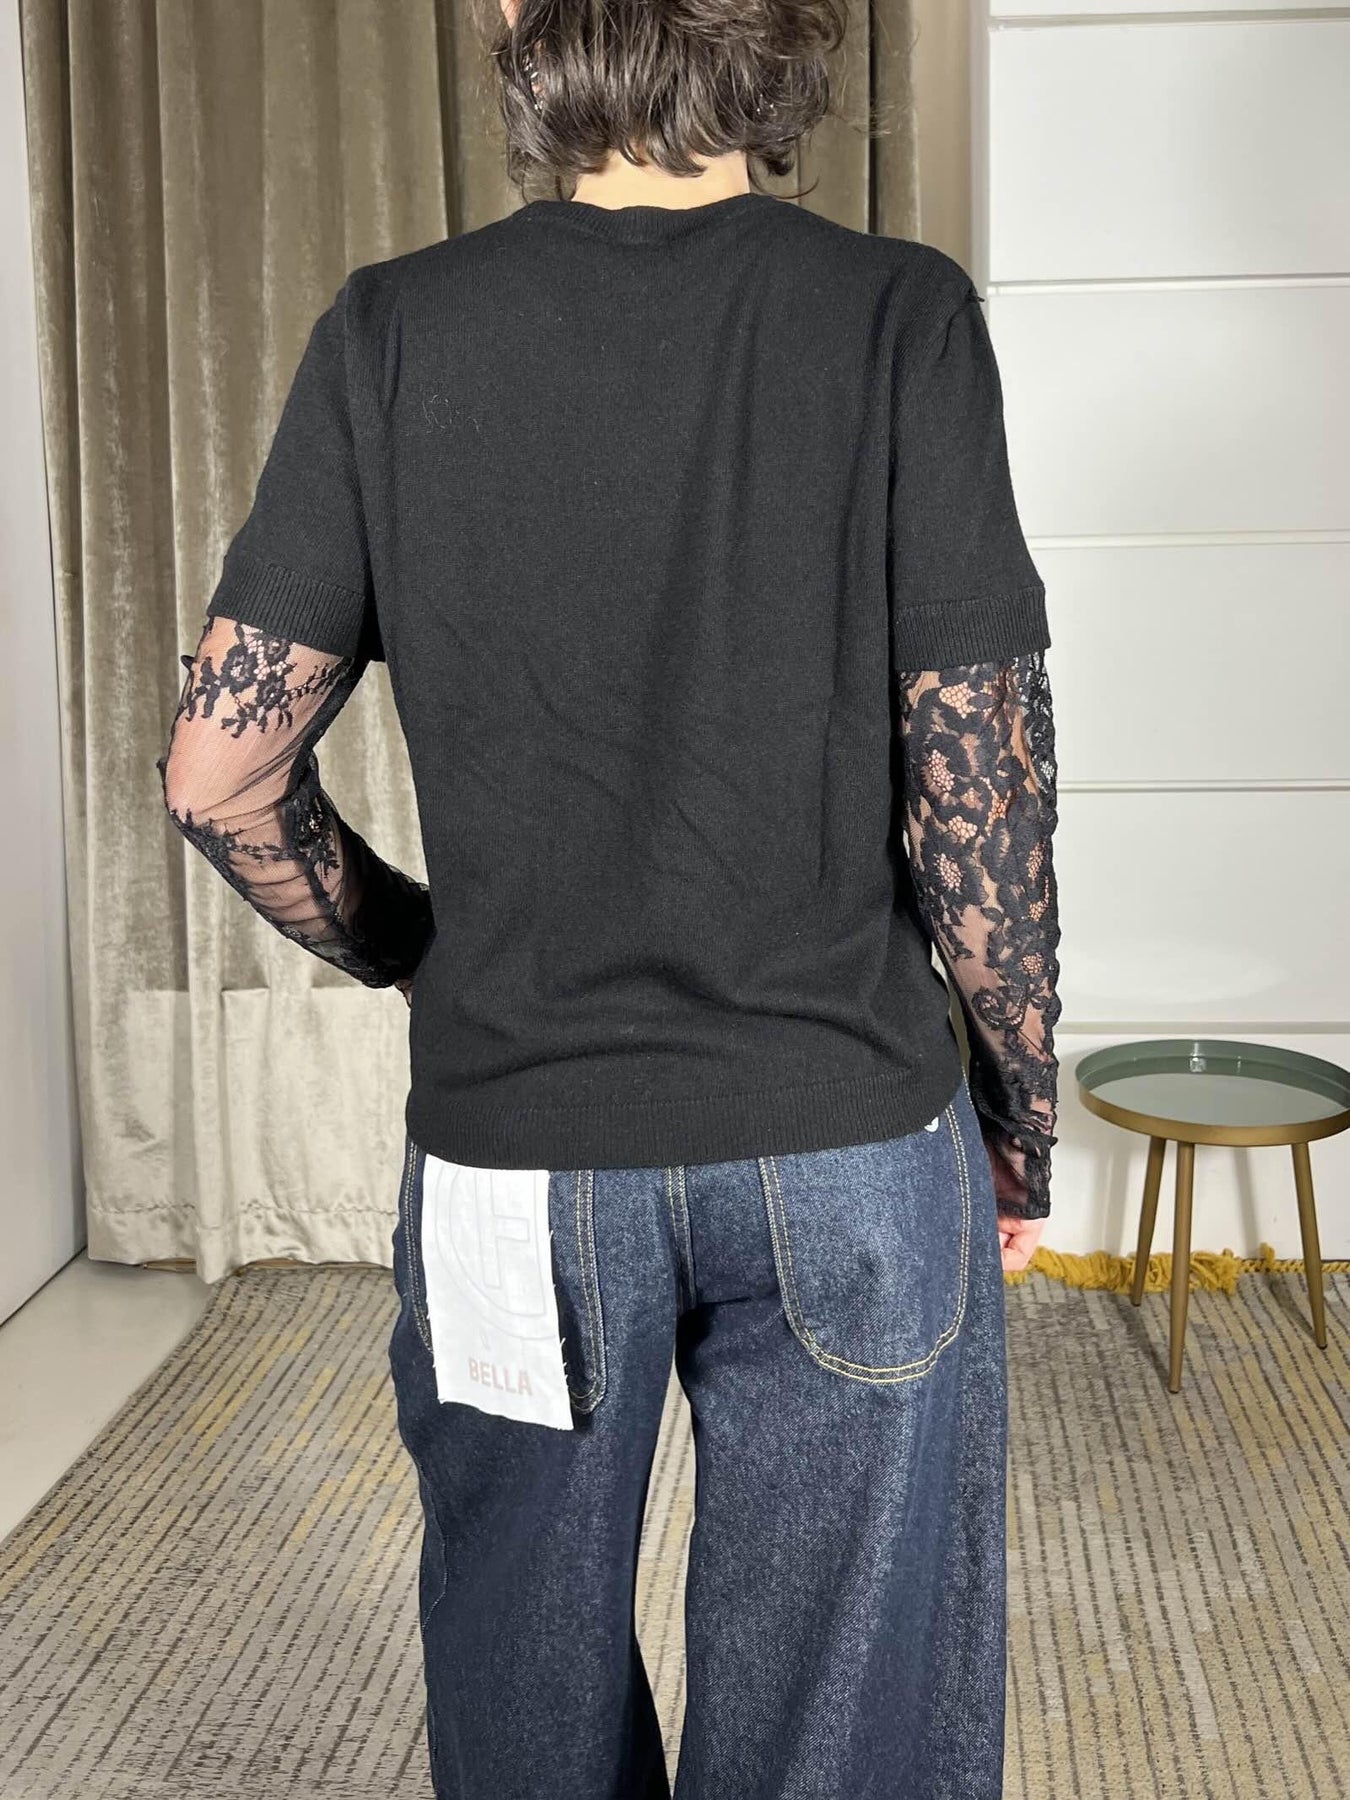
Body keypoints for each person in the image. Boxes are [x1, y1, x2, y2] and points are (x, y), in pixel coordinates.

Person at [156, 0, 1061, 1793]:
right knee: (839, 1722)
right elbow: (983, 792)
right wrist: (1016, 1119)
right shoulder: (897, 314)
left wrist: (420, 953)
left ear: (518, 20)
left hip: (516, 1160)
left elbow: (217, 776)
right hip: (845, 1138)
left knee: (524, 1670)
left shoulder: (391, 330)